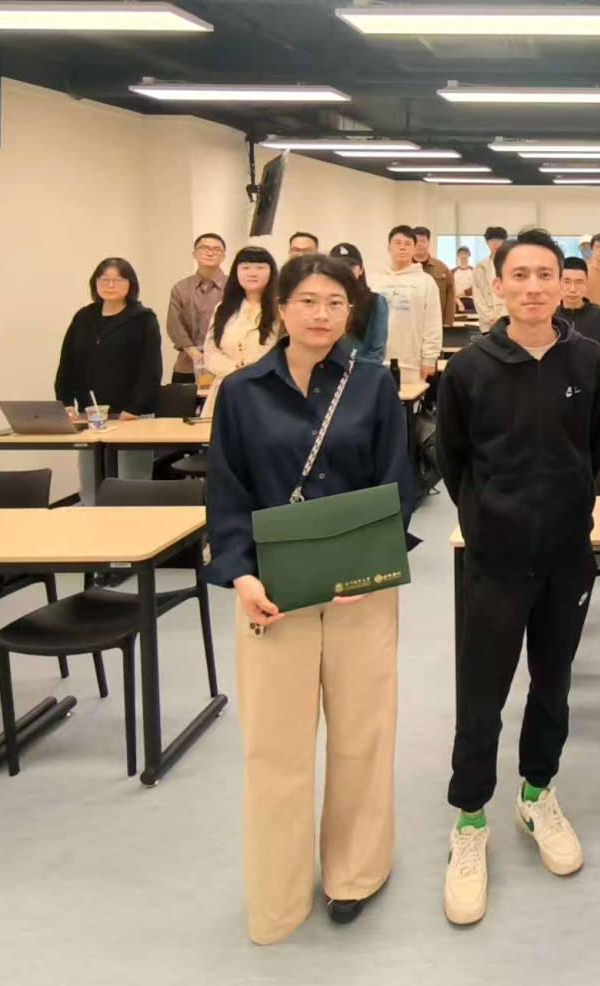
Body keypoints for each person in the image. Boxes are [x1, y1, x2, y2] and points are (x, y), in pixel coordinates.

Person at [204, 252, 416, 945]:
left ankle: (355, 872)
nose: (322, 315)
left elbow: (397, 483)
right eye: (307, 302)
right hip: (271, 592)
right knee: (275, 748)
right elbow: (226, 492)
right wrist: (241, 576)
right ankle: (277, 892)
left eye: (335, 303)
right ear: (281, 308)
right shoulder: (242, 391)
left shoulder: (373, 384)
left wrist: (367, 569)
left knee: (362, 737)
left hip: (360, 593)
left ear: (350, 311)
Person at [437, 228, 600, 927]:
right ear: (500, 283)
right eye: (521, 275)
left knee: (553, 682)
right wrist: (488, 522)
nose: (534, 287)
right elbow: (453, 461)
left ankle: (537, 793)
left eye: (546, 274)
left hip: (567, 555)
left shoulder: (589, 359)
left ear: (563, 284)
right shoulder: (468, 368)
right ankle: (470, 817)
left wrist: (564, 511)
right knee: (482, 691)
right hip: (496, 558)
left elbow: (593, 447)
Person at [55, 258, 161, 420]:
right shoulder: (84, 317)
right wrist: (66, 402)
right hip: (89, 412)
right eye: (104, 279)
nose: (110, 285)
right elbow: (67, 363)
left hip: (130, 414)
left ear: (131, 284)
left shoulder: (143, 319)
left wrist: (135, 408)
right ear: (95, 282)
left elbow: (151, 370)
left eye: (118, 280)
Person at [202, 246, 281, 413]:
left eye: (260, 267)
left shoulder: (282, 310)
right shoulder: (223, 309)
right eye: (245, 267)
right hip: (226, 389)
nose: (252, 273)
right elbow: (210, 350)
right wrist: (234, 370)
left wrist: (252, 372)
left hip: (267, 391)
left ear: (271, 272)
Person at [372, 225, 442, 382]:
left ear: (414, 249)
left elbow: (433, 323)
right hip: (377, 361)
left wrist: (429, 359)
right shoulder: (375, 281)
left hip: (412, 363)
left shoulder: (426, 282)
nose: (402, 248)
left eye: (407, 244)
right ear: (389, 248)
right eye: (397, 243)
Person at [165, 232, 227, 383]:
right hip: (187, 365)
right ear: (194, 253)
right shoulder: (180, 288)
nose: (210, 253)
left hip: (224, 365)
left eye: (216, 249)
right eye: (204, 248)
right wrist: (194, 353)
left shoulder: (234, 287)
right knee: (182, 399)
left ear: (224, 256)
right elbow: (174, 325)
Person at [331, 243, 389, 364]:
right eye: (338, 266)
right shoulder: (321, 302)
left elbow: (377, 352)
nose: (345, 271)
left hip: (361, 371)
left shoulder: (375, 302)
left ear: (361, 270)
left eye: (351, 266)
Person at [558, 256, 600, 358]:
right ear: (558, 282)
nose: (572, 289)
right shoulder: (550, 316)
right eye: (567, 282)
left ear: (586, 284)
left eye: (579, 282)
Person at [412, 226, 459, 330]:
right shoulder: (405, 267)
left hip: (436, 323)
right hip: (411, 323)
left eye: (423, 241)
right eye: (416, 241)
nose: (419, 244)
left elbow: (450, 296)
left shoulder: (441, 268)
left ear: (429, 243)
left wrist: (448, 323)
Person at [471, 227, 509, 335]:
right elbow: (477, 295)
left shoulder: (511, 265)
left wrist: (502, 316)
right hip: (487, 323)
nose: (495, 244)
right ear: (487, 243)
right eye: (492, 240)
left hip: (508, 319)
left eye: (499, 240)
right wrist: (489, 316)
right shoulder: (480, 267)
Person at [453, 247, 475, 313]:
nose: (463, 256)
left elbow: (477, 287)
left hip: (471, 300)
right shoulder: (453, 272)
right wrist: (458, 301)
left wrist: (464, 292)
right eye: (461, 254)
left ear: (469, 255)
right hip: (456, 301)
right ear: (458, 256)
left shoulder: (474, 271)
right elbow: (450, 288)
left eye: (465, 253)